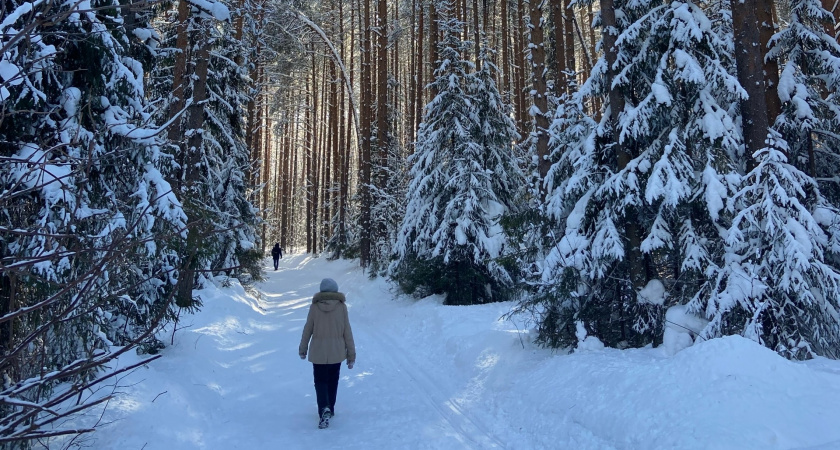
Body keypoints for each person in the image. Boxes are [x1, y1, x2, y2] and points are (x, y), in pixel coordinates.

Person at [299, 278, 356, 429]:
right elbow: (347, 331)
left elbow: (308, 329)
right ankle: (330, 408)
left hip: (318, 351)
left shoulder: (314, 307)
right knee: (333, 380)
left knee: (320, 381)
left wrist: (303, 348)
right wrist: (351, 354)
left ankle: (323, 407)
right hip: (336, 352)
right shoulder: (342, 307)